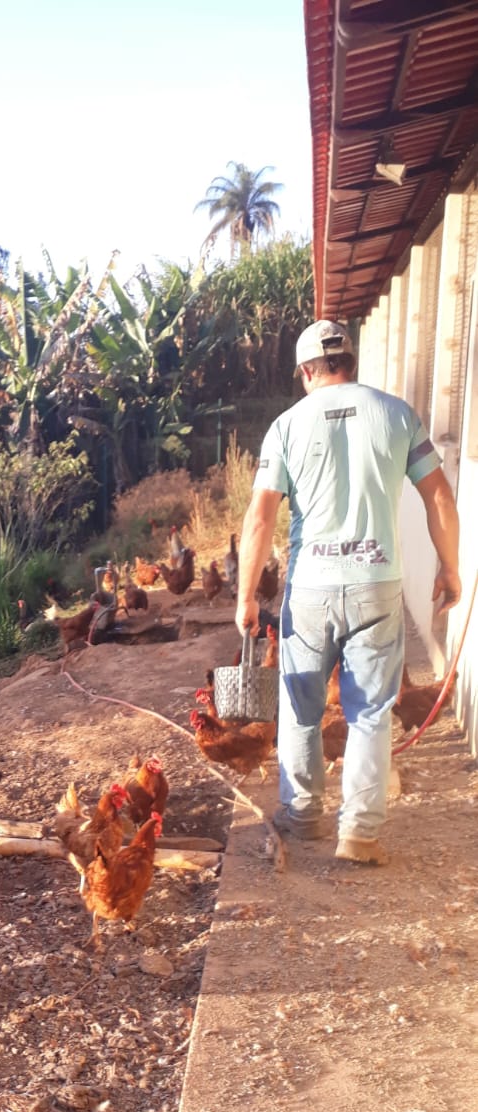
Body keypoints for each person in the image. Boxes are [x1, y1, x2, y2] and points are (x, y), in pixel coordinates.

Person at [235, 319, 461, 866]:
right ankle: (358, 833)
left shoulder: (286, 426)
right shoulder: (397, 414)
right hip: (377, 583)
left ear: (307, 372)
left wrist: (245, 595)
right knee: (369, 711)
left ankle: (303, 815)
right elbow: (438, 498)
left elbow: (260, 519)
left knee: (300, 707)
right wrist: (451, 569)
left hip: (310, 587)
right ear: (351, 363)